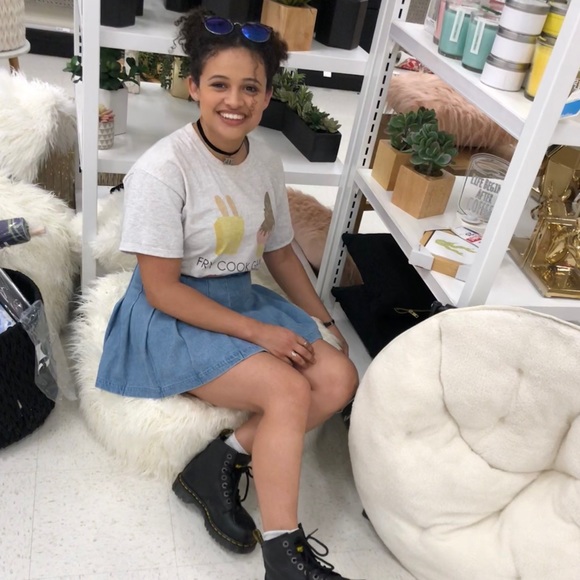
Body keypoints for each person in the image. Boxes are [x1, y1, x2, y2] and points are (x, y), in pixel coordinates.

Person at [95, 7, 358, 579]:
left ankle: (221, 459)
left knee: (339, 377)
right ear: (193, 86)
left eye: (250, 88)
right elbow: (162, 290)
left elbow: (280, 253)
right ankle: (284, 555)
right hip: (174, 316)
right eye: (219, 84)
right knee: (288, 389)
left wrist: (323, 320)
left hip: (237, 297)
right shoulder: (162, 170)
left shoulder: (264, 162)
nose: (234, 101)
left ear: (267, 97)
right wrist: (261, 333)